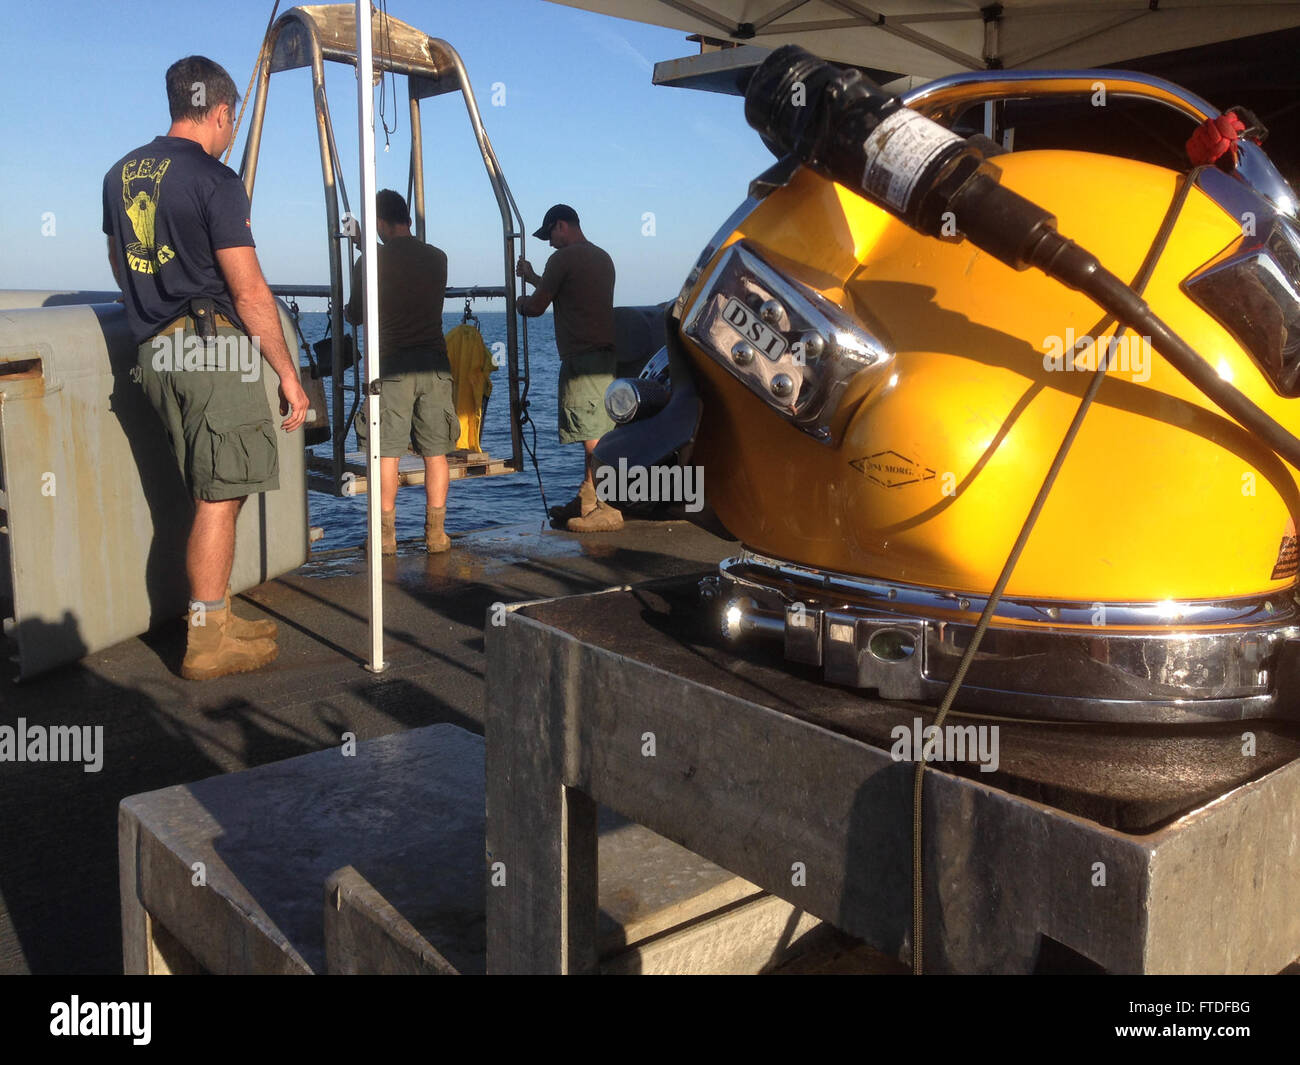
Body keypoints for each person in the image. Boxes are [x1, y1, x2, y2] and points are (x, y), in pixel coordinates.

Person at [102, 55, 309, 682]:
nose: (231, 129)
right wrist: (289, 375)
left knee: (213, 485)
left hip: (154, 349)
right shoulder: (216, 180)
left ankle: (212, 618)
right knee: (222, 494)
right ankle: (206, 639)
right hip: (211, 349)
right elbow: (248, 291)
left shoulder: (119, 174)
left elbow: (120, 261)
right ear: (220, 111)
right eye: (232, 119)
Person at [345, 189, 455, 555]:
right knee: (435, 453)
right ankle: (436, 535)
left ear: (379, 222)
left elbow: (356, 313)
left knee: (386, 454)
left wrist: (362, 250)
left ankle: (385, 537)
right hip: (435, 366)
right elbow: (401, 267)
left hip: (392, 368)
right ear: (406, 217)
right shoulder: (438, 258)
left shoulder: (370, 263)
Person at [515, 204, 624, 532]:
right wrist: (532, 276)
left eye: (550, 234)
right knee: (599, 429)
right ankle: (588, 498)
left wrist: (520, 303)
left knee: (592, 436)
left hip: (582, 360)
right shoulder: (602, 257)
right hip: (605, 359)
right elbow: (566, 292)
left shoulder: (561, 259)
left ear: (562, 225)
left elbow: (537, 306)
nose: (549, 242)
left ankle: (608, 506)